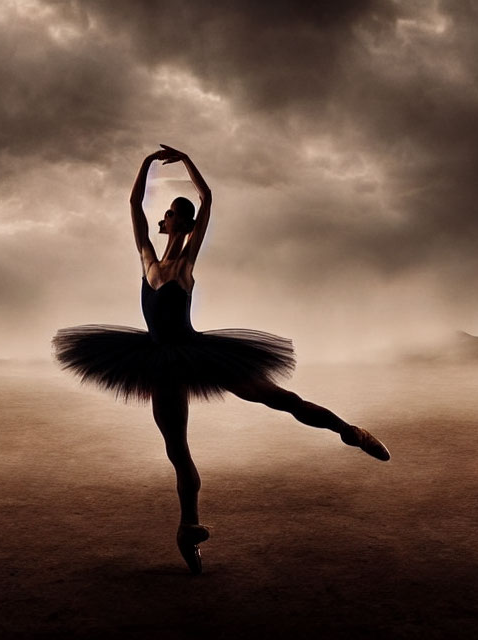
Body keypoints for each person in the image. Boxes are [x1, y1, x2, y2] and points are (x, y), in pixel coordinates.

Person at [53, 145, 390, 574]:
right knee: (177, 449)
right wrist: (146, 164)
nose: (167, 214)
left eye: (175, 210)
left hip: (198, 353)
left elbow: (208, 199)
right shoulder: (147, 259)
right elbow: (134, 203)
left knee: (281, 399)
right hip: (157, 360)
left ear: (182, 221)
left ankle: (351, 432)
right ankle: (187, 528)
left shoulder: (186, 262)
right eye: (168, 210)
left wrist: (186, 159)